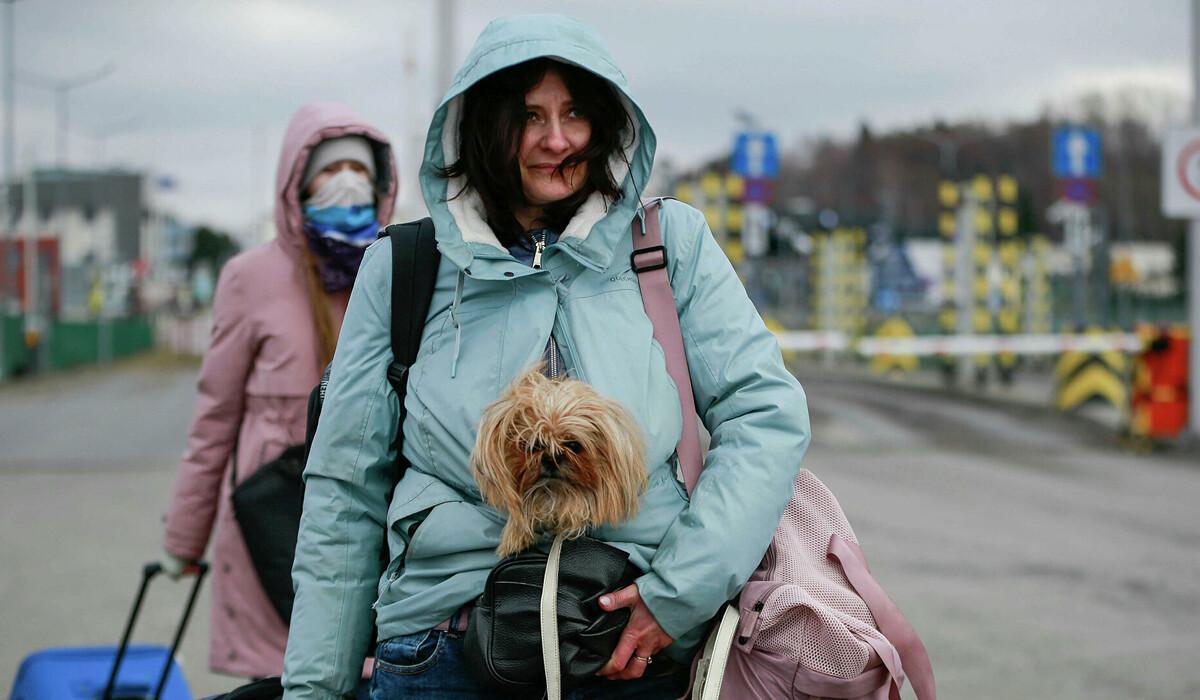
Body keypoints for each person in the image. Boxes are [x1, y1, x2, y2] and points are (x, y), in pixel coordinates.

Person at [283, 15, 810, 700]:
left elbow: (764, 416)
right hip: (442, 648)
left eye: (575, 114)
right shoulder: (404, 265)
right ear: (481, 127)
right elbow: (344, 489)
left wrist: (677, 593)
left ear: (607, 125)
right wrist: (314, 689)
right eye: (528, 115)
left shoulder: (667, 244)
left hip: (627, 647)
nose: (556, 140)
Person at [160, 101, 398, 680]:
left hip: (370, 513)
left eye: (360, 171)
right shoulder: (250, 277)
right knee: (282, 678)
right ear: (297, 183)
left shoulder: (398, 265)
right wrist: (184, 539)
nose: (347, 183)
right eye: (330, 170)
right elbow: (215, 418)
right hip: (272, 520)